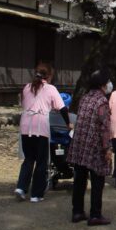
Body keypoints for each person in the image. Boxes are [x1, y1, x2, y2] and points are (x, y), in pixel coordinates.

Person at [16, 62, 70, 203]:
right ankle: (36, 194)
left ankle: (21, 187)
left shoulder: (27, 87)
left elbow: (25, 104)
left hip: (25, 125)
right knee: (41, 161)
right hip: (40, 126)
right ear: (49, 76)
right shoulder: (50, 89)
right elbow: (63, 108)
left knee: (29, 159)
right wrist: (68, 123)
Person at [68, 69, 113, 226]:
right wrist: (107, 148)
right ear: (102, 84)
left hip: (80, 143)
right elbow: (105, 127)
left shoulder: (85, 98)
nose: (109, 85)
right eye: (107, 82)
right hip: (94, 146)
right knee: (97, 180)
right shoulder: (102, 101)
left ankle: (77, 212)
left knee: (79, 180)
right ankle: (95, 214)